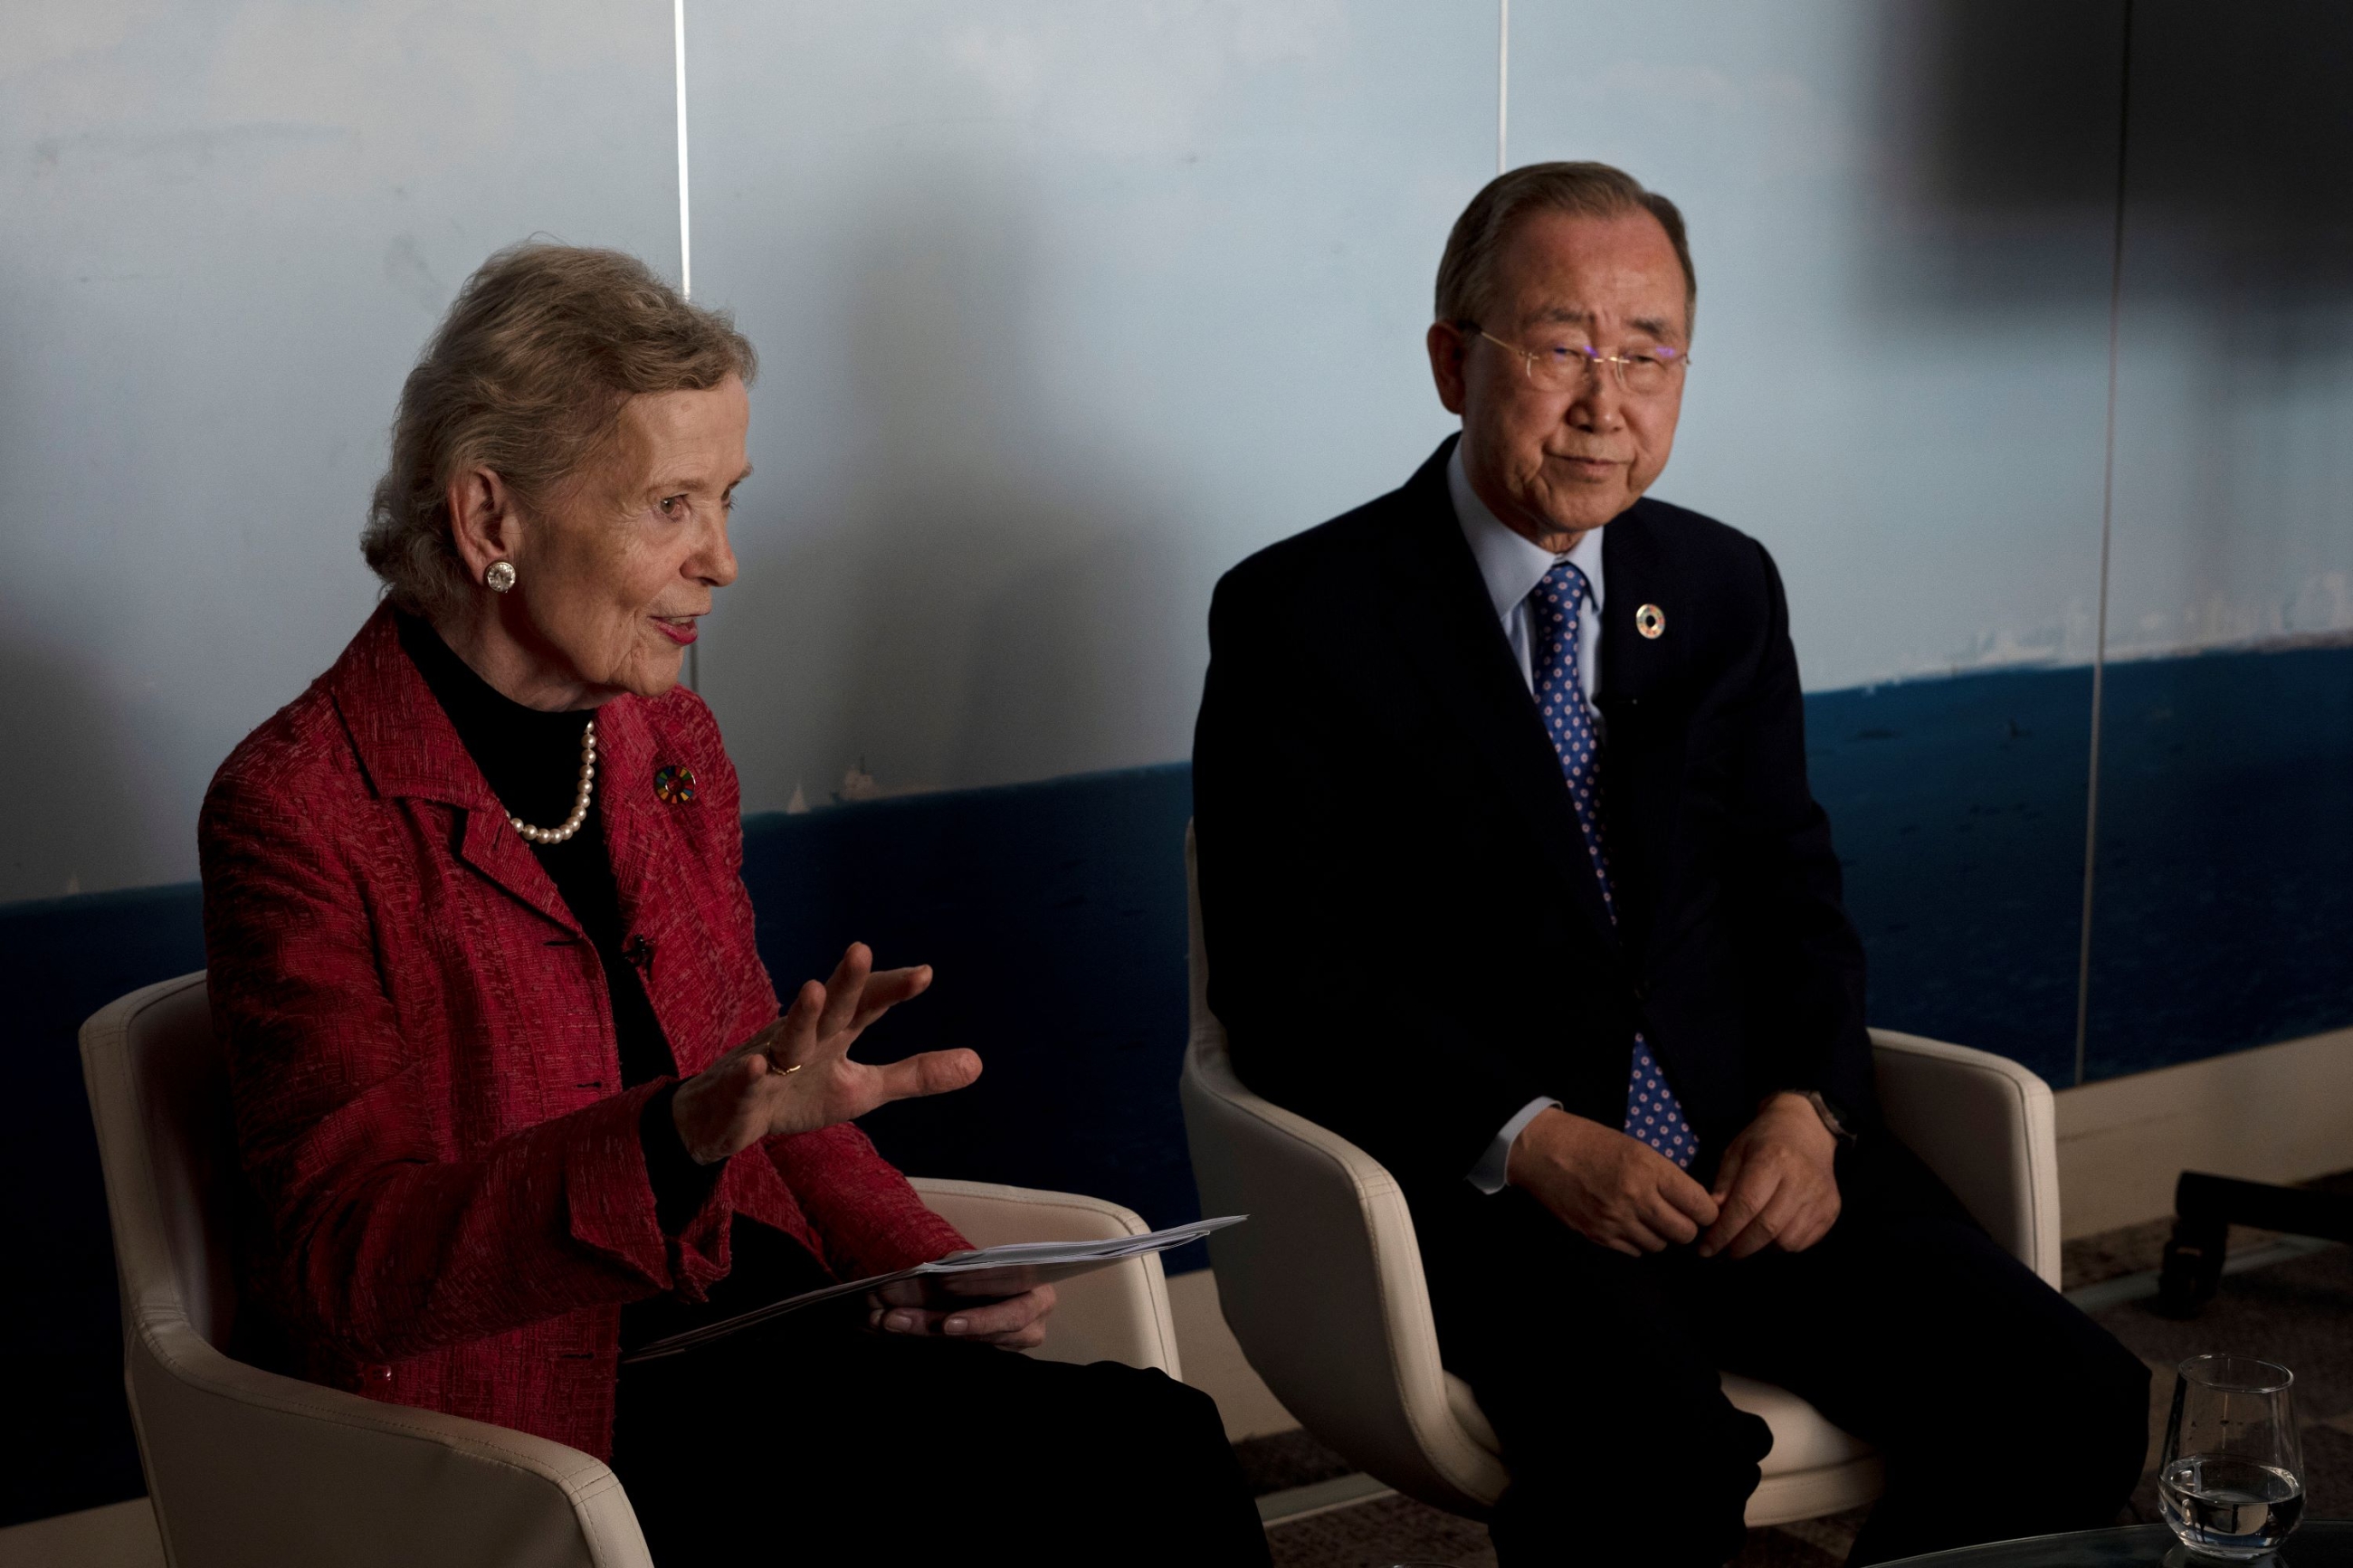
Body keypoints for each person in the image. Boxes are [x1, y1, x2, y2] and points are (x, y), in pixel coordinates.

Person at [199, 243, 1267, 1565]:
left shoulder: (668, 744)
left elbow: (771, 1093)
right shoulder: (300, 805)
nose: (724, 561)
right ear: (491, 522)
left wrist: (921, 1261)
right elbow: (347, 1265)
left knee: (1155, 1438)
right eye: (669, 507)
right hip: (543, 1423)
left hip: (762, 1336)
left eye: (728, 501)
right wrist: (671, 1131)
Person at [1191, 162, 2149, 1565]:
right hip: (1495, 1187)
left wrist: (1810, 1106)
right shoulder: (1303, 612)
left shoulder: (1718, 584)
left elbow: (1791, 888)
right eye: (1562, 345)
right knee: (1662, 1462)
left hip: (1747, 1160)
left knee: (2074, 1398)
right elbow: (1288, 978)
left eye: (1648, 352)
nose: (1607, 399)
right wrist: (1533, 1137)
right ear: (1456, 362)